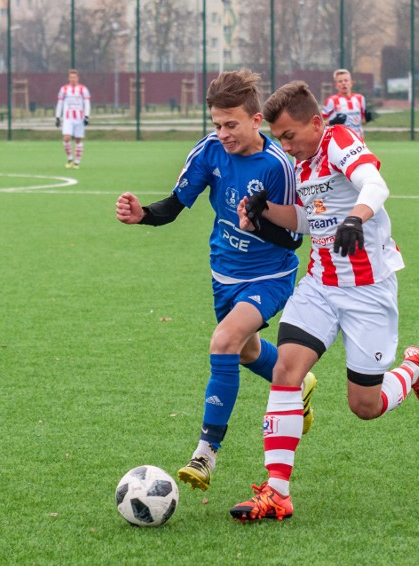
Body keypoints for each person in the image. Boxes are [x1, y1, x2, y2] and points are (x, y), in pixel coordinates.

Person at [229, 81, 419, 523]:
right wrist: (264, 210)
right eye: (280, 139)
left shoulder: (339, 140)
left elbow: (375, 185)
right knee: (286, 369)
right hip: (320, 286)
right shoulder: (302, 166)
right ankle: (277, 492)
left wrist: (355, 219)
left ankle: (414, 366)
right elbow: (308, 219)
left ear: (317, 122)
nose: (286, 147)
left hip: (368, 293)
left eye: (289, 136)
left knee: (365, 407)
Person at [115, 70, 317, 492]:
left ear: (256, 120)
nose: (222, 133)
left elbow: (294, 240)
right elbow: (176, 204)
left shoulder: (278, 165)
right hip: (223, 272)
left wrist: (258, 223)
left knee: (223, 341)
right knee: (243, 352)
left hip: (270, 273)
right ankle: (297, 379)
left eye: (231, 125)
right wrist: (144, 215)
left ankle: (206, 453)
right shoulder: (209, 151)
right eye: (217, 124)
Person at [55, 69, 91, 169]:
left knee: (78, 139)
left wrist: (87, 116)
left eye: (74, 77)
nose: (72, 79)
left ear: (77, 78)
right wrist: (57, 117)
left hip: (79, 118)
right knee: (66, 138)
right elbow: (60, 103)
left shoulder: (83, 89)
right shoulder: (64, 89)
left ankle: (77, 162)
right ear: (68, 78)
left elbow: (87, 103)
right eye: (71, 77)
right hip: (68, 118)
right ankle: (70, 159)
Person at [321, 68, 371, 139]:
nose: (343, 83)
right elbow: (319, 123)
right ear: (336, 85)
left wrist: (367, 119)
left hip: (358, 141)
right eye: (340, 81)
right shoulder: (331, 100)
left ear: (351, 83)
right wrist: (331, 122)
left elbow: (361, 122)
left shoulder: (360, 98)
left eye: (346, 80)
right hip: (340, 141)